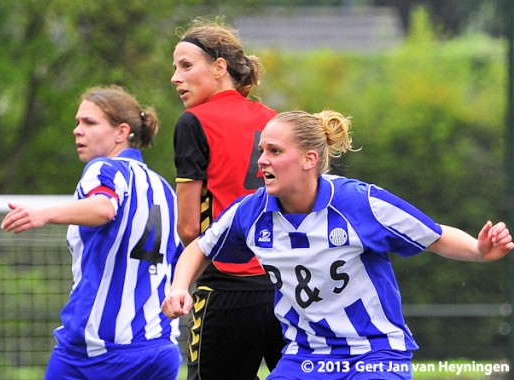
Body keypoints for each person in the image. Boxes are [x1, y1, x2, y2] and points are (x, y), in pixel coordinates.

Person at [162, 109, 514, 380]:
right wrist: (180, 287)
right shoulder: (251, 212)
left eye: (274, 151)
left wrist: (480, 251)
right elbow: (201, 247)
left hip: (375, 354)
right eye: (261, 151)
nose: (262, 161)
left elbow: (433, 236)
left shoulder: (360, 203)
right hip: (306, 356)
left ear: (309, 160)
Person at [0, 85, 183, 380]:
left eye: (89, 122)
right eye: (77, 122)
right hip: (159, 348)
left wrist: (43, 214)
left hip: (97, 352)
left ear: (121, 132)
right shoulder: (165, 189)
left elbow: (103, 208)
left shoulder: (104, 168)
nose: (77, 130)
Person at [170, 17, 285, 379]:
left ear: (220, 67)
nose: (176, 77)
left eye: (186, 66)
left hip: (226, 286)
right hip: (285, 287)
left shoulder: (194, 121)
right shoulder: (275, 119)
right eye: (174, 68)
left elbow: (190, 228)